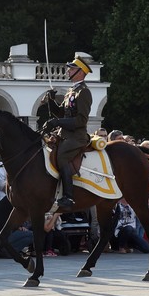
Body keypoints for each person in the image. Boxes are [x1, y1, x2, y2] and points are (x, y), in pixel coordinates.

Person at [43, 56, 93, 214]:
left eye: (71, 69)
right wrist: (51, 101)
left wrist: (57, 123)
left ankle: (68, 196)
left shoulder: (84, 92)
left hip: (76, 136)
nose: (68, 71)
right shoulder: (71, 91)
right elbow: (61, 114)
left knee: (62, 156)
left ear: (80, 72)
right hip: (64, 134)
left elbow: (80, 120)